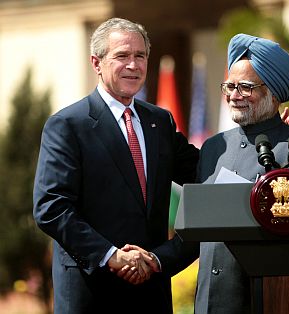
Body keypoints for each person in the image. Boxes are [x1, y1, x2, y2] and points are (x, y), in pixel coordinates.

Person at [33, 17, 199, 314]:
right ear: (96, 62)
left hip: (151, 292)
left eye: (140, 56)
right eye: (122, 56)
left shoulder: (159, 122)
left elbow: (203, 170)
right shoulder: (68, 125)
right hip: (92, 291)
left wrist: (275, 137)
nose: (133, 65)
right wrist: (110, 255)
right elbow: (51, 207)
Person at [193, 34, 289, 314]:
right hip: (209, 301)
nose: (234, 95)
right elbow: (198, 225)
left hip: (269, 298)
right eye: (230, 86)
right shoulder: (212, 147)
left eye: (245, 87)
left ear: (273, 92)